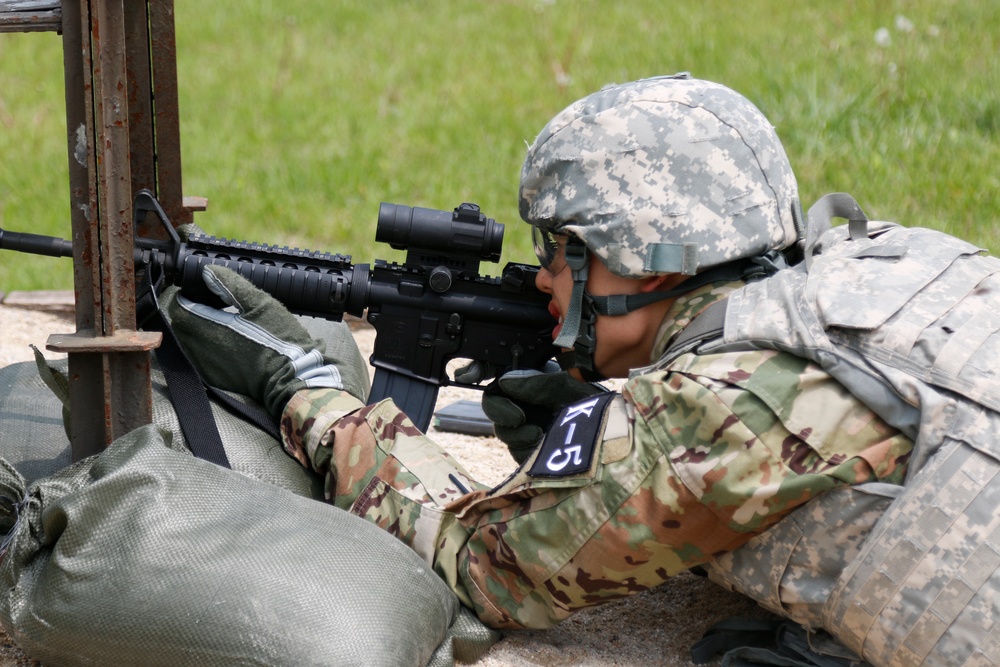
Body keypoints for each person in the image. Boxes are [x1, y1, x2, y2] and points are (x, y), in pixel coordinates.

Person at [167, 74, 995, 665]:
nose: (543, 278)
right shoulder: (889, 263)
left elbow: (490, 562)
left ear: (657, 265)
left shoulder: (726, 406)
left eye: (565, 252)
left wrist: (306, 389)